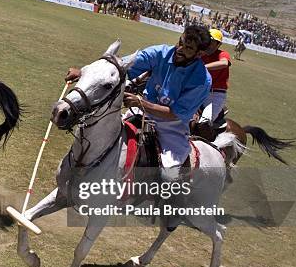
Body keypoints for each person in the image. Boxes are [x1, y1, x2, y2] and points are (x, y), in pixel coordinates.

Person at [66, 25, 211, 181]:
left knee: (168, 175)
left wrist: (141, 102)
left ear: (200, 54)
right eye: (180, 42)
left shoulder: (202, 80)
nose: (179, 49)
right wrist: (82, 72)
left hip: (171, 127)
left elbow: (174, 113)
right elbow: (121, 67)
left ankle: (165, 203)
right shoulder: (161, 53)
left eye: (188, 48)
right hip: (141, 112)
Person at [198, 29, 231, 125]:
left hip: (215, 95)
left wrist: (203, 67)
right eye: (207, 41)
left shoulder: (222, 54)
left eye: (212, 42)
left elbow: (224, 63)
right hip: (198, 91)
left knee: (203, 124)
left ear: (218, 45)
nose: (208, 44)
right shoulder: (200, 53)